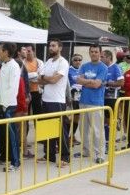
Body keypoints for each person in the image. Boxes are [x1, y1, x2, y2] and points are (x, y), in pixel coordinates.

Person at [37, 39, 70, 167]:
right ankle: (49, 155)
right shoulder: (48, 62)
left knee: (61, 130)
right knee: (47, 129)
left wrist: (47, 78)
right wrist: (48, 78)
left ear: (60, 48)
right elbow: (40, 80)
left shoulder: (63, 63)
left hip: (57, 101)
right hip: (46, 99)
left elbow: (55, 80)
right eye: (50, 46)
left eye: (53, 46)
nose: (51, 48)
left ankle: (65, 157)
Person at [77, 45, 107, 162]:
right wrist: (91, 81)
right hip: (83, 101)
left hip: (96, 102)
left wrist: (87, 82)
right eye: (91, 52)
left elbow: (96, 85)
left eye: (96, 52)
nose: (93, 53)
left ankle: (100, 155)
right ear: (89, 53)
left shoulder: (103, 68)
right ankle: (85, 151)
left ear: (100, 53)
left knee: (97, 130)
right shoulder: (84, 66)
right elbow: (78, 80)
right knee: (83, 129)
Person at [0, 43, 21, 172]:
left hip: (8, 106)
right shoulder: (3, 65)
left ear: (6, 52)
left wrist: (5, 105)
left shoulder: (14, 66)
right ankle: (4, 157)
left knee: (11, 135)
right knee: (0, 134)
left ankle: (15, 162)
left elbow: (13, 88)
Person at [100, 50, 124, 146]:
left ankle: (110, 143)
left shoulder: (116, 68)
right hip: (101, 97)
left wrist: (107, 83)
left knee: (110, 121)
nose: (100, 58)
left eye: (102, 57)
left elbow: (121, 83)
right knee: (104, 121)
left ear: (109, 57)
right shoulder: (102, 67)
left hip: (112, 98)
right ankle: (106, 141)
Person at [68, 54, 83, 145]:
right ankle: (67, 138)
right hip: (71, 97)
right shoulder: (69, 70)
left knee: (77, 118)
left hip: (80, 97)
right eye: (75, 60)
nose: (77, 62)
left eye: (79, 60)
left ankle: (72, 136)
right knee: (70, 118)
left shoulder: (82, 70)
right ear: (72, 61)